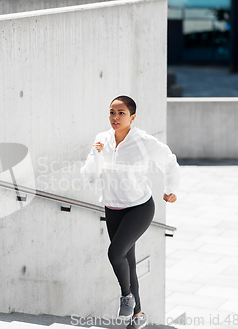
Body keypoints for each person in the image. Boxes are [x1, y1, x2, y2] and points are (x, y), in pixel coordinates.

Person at [80, 95, 180, 329]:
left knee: (115, 254)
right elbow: (90, 176)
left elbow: (169, 161)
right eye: (112, 112)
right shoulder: (101, 139)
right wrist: (95, 155)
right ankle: (138, 315)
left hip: (139, 208)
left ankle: (126, 296)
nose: (115, 117)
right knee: (128, 262)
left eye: (121, 113)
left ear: (132, 117)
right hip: (112, 208)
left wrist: (171, 189)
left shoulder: (143, 141)